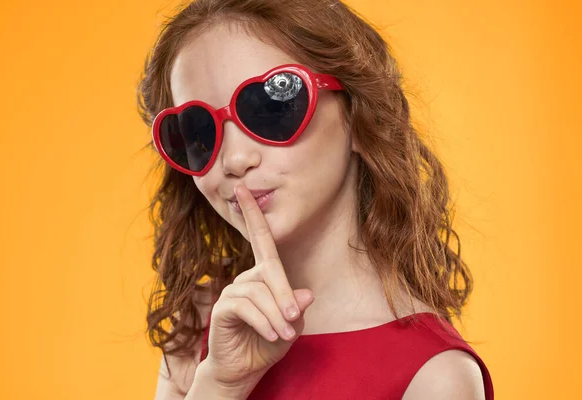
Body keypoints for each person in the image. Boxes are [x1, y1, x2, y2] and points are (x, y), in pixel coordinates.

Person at [136, 0, 495, 398]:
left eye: (271, 108)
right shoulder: (202, 324)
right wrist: (219, 385)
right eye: (198, 132)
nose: (234, 160)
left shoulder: (437, 377)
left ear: (360, 119)